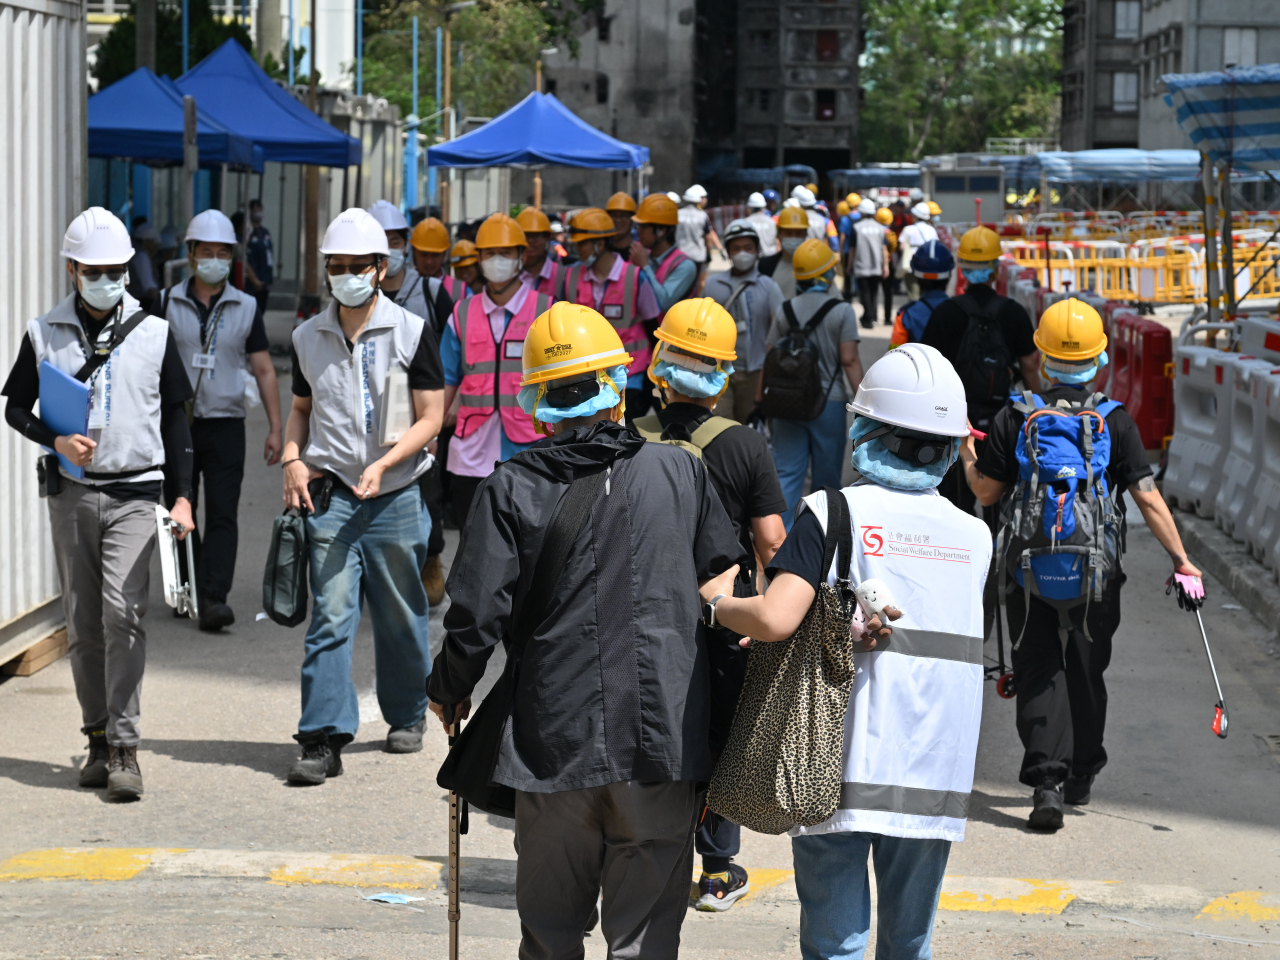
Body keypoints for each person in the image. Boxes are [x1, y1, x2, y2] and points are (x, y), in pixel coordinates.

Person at [427, 301, 744, 958]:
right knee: (644, 944)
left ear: (538, 401)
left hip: (552, 749)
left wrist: (450, 689)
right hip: (662, 746)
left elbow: (473, 620)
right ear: (616, 388)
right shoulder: (681, 471)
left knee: (549, 939)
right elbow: (723, 607)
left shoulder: (510, 487)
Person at [699, 343, 989, 960]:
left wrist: (720, 604)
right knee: (910, 944)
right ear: (947, 444)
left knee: (836, 944)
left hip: (841, 762)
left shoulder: (835, 510)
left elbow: (777, 617)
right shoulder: (975, 536)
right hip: (937, 769)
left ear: (866, 430)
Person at [961, 299, 1204, 831]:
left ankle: (1046, 781)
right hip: (1097, 572)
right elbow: (1147, 497)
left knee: (1038, 666)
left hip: (1027, 570)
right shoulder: (1113, 421)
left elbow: (984, 491)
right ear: (1099, 358)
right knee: (1087, 670)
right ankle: (1083, 773)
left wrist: (965, 447)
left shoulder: (1015, 416)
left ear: (1043, 358)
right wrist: (1182, 560)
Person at [3, 207, 196, 801]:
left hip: (137, 493)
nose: (107, 279)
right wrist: (54, 439)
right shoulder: (44, 332)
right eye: (94, 270)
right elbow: (14, 407)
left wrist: (184, 498)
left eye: (117, 270)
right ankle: (94, 737)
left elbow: (178, 418)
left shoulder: (156, 331)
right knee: (84, 624)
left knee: (123, 613)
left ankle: (126, 746)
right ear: (72, 270)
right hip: (73, 496)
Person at [631, 298, 787, 911]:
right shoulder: (744, 445)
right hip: (721, 615)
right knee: (721, 733)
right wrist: (770, 614)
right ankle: (719, 868)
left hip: (645, 614)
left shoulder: (627, 435)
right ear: (723, 376)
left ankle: (652, 848)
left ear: (657, 366)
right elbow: (771, 539)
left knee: (657, 728)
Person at [283, 208, 444, 784]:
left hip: (396, 494)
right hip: (333, 498)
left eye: (358, 266)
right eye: (336, 267)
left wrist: (385, 463)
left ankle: (406, 712)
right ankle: (321, 737)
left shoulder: (410, 331)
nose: (346, 275)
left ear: (382, 268)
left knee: (401, 613)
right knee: (329, 613)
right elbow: (301, 409)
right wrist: (292, 457)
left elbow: (432, 416)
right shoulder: (308, 336)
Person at [162, 208, 282, 631]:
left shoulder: (247, 307)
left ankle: (213, 595)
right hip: (178, 423)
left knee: (223, 512)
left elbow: (264, 369)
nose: (214, 259)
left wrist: (276, 428)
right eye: (206, 251)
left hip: (227, 423)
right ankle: (187, 587)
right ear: (191, 255)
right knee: (179, 506)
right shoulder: (165, 302)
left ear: (231, 258)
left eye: (222, 252)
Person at [440, 212, 552, 528]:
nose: (497, 260)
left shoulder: (546, 310)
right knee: (473, 545)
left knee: (529, 547)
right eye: (489, 253)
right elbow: (446, 381)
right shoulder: (461, 314)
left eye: (505, 253)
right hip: (470, 452)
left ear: (522, 256)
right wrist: (430, 436)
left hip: (531, 447)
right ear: (478, 259)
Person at [921, 225, 1041, 513]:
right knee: (999, 500)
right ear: (995, 268)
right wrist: (1037, 409)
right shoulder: (1012, 312)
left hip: (954, 422)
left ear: (961, 267)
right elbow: (1029, 366)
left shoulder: (946, 313)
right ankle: (996, 554)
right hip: (1002, 421)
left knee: (953, 502)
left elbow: (929, 369)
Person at [368, 201, 449, 606]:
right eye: (380, 243)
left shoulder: (431, 291)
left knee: (428, 490)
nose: (389, 251)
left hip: (421, 407)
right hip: (373, 406)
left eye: (395, 242)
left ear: (407, 245)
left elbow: (451, 349)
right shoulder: (359, 293)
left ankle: (430, 558)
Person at [764, 239, 864, 528]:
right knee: (826, 480)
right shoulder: (842, 311)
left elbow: (770, 357)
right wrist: (865, 402)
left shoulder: (786, 309)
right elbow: (849, 360)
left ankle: (781, 544)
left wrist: (761, 401)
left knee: (786, 474)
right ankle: (820, 541)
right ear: (827, 273)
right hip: (828, 404)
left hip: (785, 403)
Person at [561, 206, 661, 420]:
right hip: (587, 376)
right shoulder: (570, 277)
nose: (578, 249)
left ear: (600, 243)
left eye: (583, 243)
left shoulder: (635, 277)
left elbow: (653, 327)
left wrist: (652, 377)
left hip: (630, 377)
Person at [704, 219, 783, 424]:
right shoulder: (713, 284)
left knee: (747, 427)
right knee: (718, 426)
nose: (742, 253)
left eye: (748, 247)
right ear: (728, 252)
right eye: (736, 248)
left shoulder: (768, 286)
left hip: (755, 373)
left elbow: (779, 329)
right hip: (719, 372)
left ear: (757, 250)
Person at [630, 192, 697, 323]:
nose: (639, 231)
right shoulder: (643, 257)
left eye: (644, 226)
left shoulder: (685, 266)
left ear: (662, 231)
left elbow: (662, 302)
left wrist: (644, 266)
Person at [890, 240, 954, 348]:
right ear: (948, 276)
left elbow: (895, 355)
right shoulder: (961, 311)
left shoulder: (906, 315)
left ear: (916, 277)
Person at [408, 216, 464, 323]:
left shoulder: (461, 290)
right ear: (413, 252)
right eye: (424, 255)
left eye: (435, 255)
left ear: (444, 254)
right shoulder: (403, 286)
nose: (429, 261)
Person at [851, 199, 890, 329]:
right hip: (876, 266)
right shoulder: (880, 228)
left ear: (861, 212)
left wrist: (849, 265)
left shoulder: (856, 227)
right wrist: (885, 266)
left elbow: (852, 249)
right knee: (873, 292)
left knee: (865, 293)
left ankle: (868, 317)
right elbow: (884, 248)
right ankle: (870, 316)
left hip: (861, 266)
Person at [677, 184, 722, 293]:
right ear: (698, 199)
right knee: (700, 282)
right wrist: (709, 254)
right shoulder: (702, 216)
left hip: (680, 256)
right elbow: (708, 236)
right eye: (703, 197)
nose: (706, 200)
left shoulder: (678, 214)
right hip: (697, 257)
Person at [516, 206, 563, 297]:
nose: (530, 241)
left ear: (547, 238)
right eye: (526, 236)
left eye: (536, 236)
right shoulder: (509, 276)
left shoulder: (563, 277)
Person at [898, 201, 939, 304]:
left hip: (911, 267)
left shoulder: (908, 229)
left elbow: (901, 247)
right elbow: (936, 247)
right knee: (926, 295)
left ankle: (914, 315)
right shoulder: (932, 230)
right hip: (927, 267)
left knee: (913, 296)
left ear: (915, 216)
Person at [771, 205, 809, 300]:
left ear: (806, 235)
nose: (793, 238)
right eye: (788, 233)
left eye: (799, 233)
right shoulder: (766, 266)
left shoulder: (818, 267)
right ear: (779, 235)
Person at [245, 199, 274, 315]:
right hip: (252, 282)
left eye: (260, 210)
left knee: (261, 311)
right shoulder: (248, 233)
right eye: (255, 210)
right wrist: (254, 279)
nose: (258, 213)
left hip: (265, 280)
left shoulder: (265, 232)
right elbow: (245, 258)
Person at [128, 222, 161, 314]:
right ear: (147, 241)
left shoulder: (136, 253)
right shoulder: (142, 256)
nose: (154, 249)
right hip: (142, 303)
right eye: (154, 245)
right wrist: (164, 304)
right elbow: (149, 286)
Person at [837, 192, 861, 303]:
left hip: (847, 250)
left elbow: (842, 236)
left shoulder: (845, 219)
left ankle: (848, 296)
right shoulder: (862, 216)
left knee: (848, 273)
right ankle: (858, 291)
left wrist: (840, 249)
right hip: (860, 250)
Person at [745, 191, 779, 261]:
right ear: (764, 206)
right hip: (771, 259)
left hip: (754, 260)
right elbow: (777, 241)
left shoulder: (746, 222)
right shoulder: (772, 221)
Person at [606, 191, 637, 261]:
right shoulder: (602, 252)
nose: (618, 220)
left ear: (632, 220)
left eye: (623, 216)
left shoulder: (639, 253)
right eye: (614, 215)